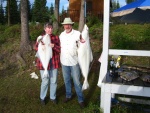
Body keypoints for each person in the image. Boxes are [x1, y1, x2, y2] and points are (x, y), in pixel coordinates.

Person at [59, 17, 85, 108]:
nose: (67, 26)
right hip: (64, 62)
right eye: (66, 24)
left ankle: (81, 99)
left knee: (77, 82)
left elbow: (83, 40)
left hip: (74, 62)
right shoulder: (61, 35)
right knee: (66, 81)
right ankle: (68, 95)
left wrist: (83, 41)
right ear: (63, 26)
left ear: (72, 25)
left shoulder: (77, 33)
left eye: (69, 24)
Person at [35, 22, 61, 105]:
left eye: (51, 28)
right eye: (48, 28)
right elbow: (35, 48)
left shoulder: (56, 38)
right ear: (45, 29)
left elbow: (60, 50)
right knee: (45, 81)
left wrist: (54, 46)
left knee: (54, 81)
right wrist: (40, 45)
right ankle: (42, 97)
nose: (50, 29)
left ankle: (53, 97)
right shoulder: (40, 38)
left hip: (54, 62)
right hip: (43, 64)